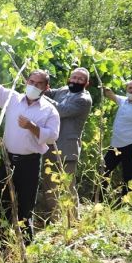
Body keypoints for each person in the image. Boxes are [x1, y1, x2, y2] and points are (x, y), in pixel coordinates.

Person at [0, 66, 60, 243]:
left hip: (30, 163)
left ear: (46, 88)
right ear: (26, 82)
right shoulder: (12, 99)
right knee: (1, 203)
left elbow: (52, 137)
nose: (34, 86)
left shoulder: (49, 110)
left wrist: (32, 127)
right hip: (8, 160)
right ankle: (2, 243)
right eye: (31, 82)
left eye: (39, 84)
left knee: (26, 205)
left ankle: (26, 244)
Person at [41, 67, 92, 219]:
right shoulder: (63, 90)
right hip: (50, 145)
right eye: (74, 77)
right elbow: (49, 92)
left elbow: (60, 110)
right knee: (49, 184)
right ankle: (56, 219)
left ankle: (73, 220)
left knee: (68, 185)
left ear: (86, 83)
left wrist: (41, 96)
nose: (76, 81)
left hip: (67, 148)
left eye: (80, 79)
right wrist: (41, 84)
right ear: (69, 79)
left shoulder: (84, 100)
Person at [101, 80, 132, 198]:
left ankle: (126, 203)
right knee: (104, 171)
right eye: (130, 88)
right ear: (127, 89)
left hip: (130, 144)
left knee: (128, 175)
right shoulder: (124, 101)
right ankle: (99, 199)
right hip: (115, 145)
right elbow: (111, 95)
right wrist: (103, 86)